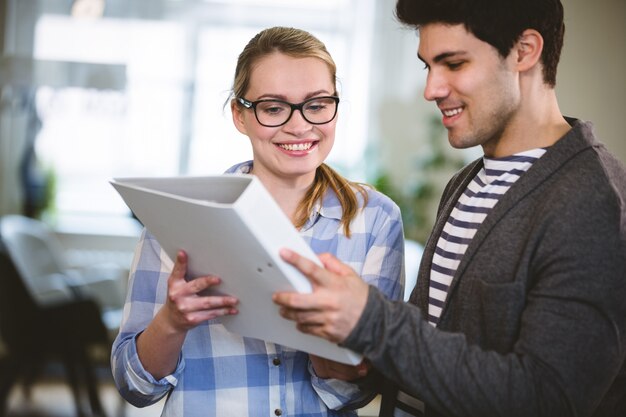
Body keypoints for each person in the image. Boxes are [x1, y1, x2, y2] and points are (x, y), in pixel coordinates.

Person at [272, 1, 626, 416]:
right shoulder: (467, 182)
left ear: (525, 51)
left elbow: (547, 398)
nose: (431, 89)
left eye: (454, 64)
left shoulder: (592, 201)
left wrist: (372, 322)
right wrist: (358, 363)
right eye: (428, 66)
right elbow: (432, 352)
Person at [110, 26, 405, 417]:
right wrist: (172, 321)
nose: (299, 126)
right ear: (240, 114)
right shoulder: (180, 214)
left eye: (317, 104)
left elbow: (361, 393)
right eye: (273, 107)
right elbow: (135, 386)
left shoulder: (376, 219)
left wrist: (325, 341)